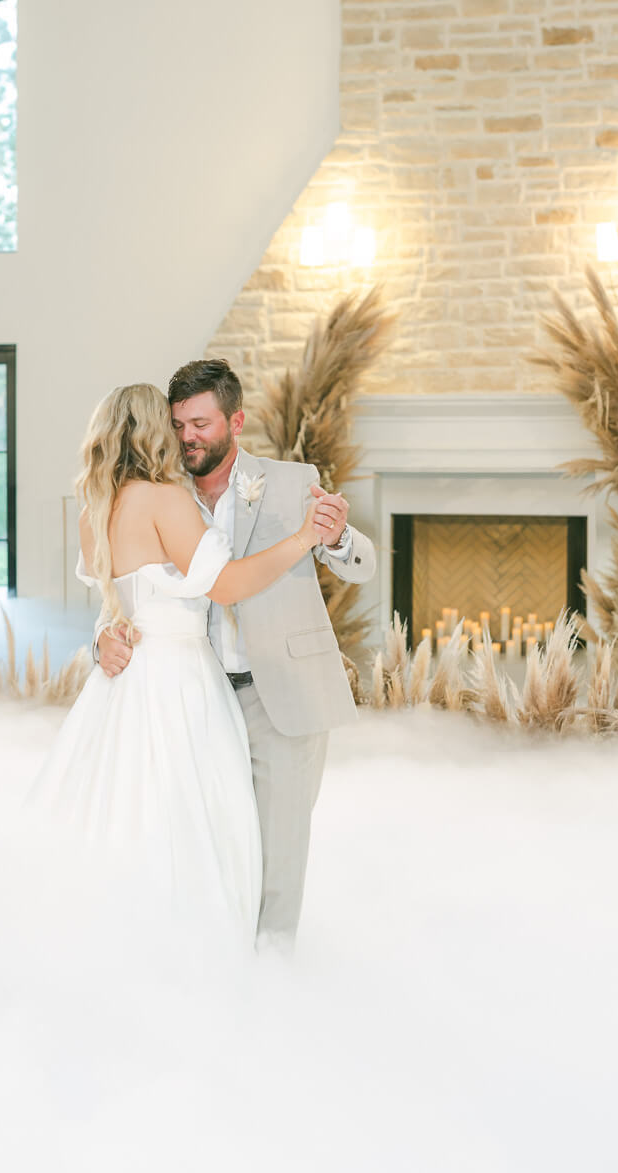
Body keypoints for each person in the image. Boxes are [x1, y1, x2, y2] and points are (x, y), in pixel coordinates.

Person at [29, 380, 325, 945]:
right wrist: (303, 537)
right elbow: (230, 586)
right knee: (196, 818)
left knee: (125, 811)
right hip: (180, 681)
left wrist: (102, 641)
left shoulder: (95, 506)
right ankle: (197, 945)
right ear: (154, 430)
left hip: (122, 686)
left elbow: (118, 603)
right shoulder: (163, 499)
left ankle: (117, 933)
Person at [97, 359, 376, 950]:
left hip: (282, 691)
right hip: (196, 697)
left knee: (277, 848)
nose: (187, 437)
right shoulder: (161, 494)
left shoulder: (292, 480)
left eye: (200, 422)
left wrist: (337, 537)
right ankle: (220, 963)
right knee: (214, 843)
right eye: (177, 425)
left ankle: (271, 977)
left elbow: (363, 565)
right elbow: (127, 590)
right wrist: (104, 635)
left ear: (236, 421)